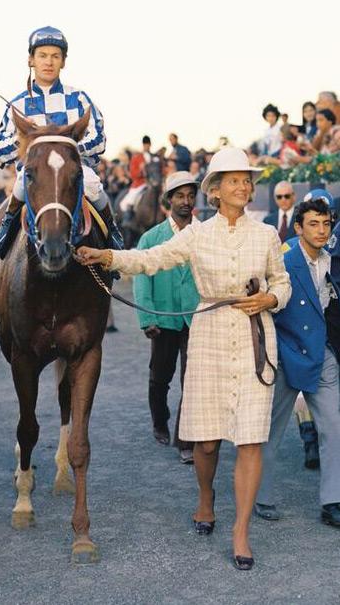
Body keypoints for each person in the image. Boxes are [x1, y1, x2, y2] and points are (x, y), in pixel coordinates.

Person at [76, 147, 291, 570]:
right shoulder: (196, 234)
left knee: (250, 439)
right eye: (234, 180)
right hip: (208, 335)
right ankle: (206, 498)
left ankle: (241, 532)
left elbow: (281, 281)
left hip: (254, 339)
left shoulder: (266, 234)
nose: (244, 186)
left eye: (247, 179)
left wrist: (269, 297)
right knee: (207, 439)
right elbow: (152, 259)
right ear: (215, 189)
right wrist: (107, 257)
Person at [0, 25, 123, 258]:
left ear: (63, 61)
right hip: (34, 171)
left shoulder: (79, 98)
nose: (49, 62)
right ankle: (6, 227)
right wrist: (29, 141)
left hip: (73, 169)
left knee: (92, 183)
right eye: (42, 56)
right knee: (21, 184)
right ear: (31, 60)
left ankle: (111, 231)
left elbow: (99, 139)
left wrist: (66, 148)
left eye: (55, 56)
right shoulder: (18, 105)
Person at [254, 198, 340, 528]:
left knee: (334, 427)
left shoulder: (332, 260)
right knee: (271, 429)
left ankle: (332, 501)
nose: (321, 230)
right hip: (286, 353)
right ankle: (261, 496)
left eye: (326, 224)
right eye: (314, 224)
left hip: (322, 354)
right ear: (298, 228)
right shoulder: (284, 260)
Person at [133, 172, 200, 464]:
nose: (186, 202)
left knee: (193, 381)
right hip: (162, 319)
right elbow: (140, 278)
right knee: (160, 378)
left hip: (197, 318)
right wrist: (147, 317)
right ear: (169, 200)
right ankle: (159, 420)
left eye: (190, 195)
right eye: (180, 196)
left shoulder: (205, 233)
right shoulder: (151, 238)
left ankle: (184, 441)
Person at [119, 136, 157, 221]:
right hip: (140, 184)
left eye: (148, 144)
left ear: (150, 145)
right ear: (143, 145)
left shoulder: (154, 157)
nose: (147, 146)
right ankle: (127, 221)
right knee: (130, 201)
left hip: (154, 183)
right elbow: (133, 174)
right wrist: (141, 169)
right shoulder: (136, 158)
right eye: (145, 144)